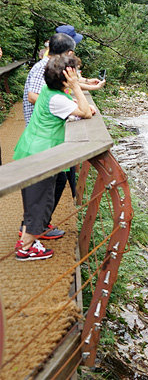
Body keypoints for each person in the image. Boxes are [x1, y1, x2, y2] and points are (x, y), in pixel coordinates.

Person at [22, 29, 105, 238]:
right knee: (41, 188)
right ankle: (30, 234)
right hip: (42, 140)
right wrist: (68, 104)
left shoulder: (50, 72)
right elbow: (34, 95)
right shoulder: (45, 72)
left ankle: (40, 225)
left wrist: (71, 102)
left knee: (55, 181)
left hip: (43, 137)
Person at [14, 55, 95, 260]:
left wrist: (78, 100)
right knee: (41, 201)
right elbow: (85, 112)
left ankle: (27, 237)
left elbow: (76, 108)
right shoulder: (58, 98)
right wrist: (76, 87)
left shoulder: (49, 92)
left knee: (36, 200)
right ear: (66, 78)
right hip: (41, 156)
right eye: (75, 73)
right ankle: (25, 248)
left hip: (32, 149)